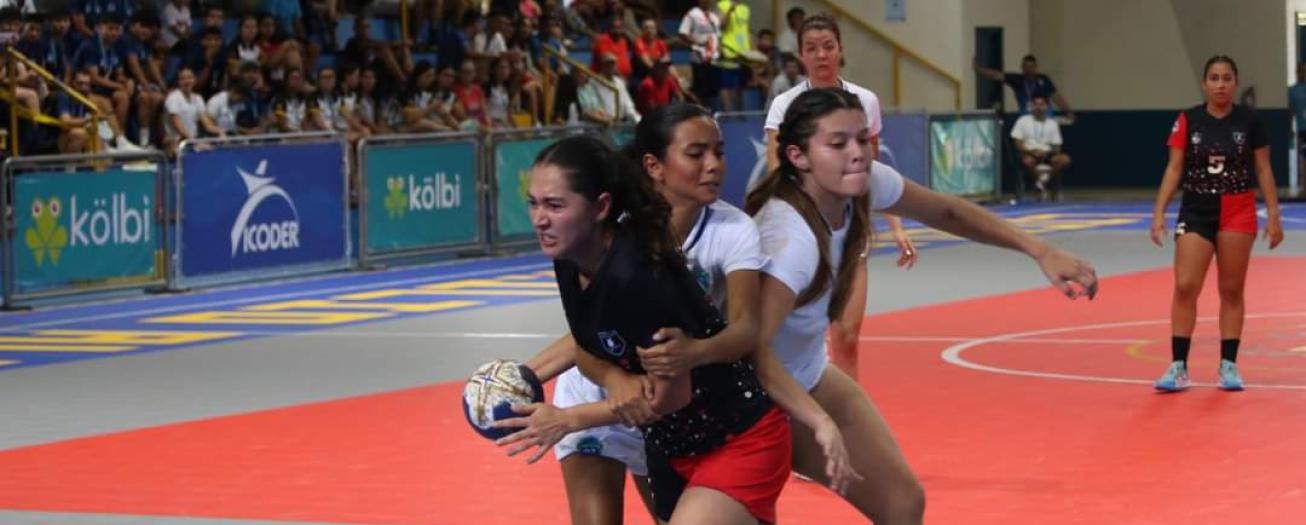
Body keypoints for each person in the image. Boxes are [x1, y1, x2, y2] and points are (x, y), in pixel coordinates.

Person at [747, 87, 1099, 524]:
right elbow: (751, 350)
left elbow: (946, 212)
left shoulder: (861, 185)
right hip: (746, 396)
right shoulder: (788, 239)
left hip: (806, 374)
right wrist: (817, 420)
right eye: (837, 144)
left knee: (902, 503)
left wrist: (1038, 249)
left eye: (861, 139)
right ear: (798, 157)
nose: (856, 153)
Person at [504, 104, 859, 525]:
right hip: (668, 445)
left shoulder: (638, 274)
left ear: (599, 207)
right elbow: (587, 341)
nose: (540, 219)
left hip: (735, 438)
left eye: (555, 205)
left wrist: (567, 419)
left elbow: (683, 387)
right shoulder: (571, 256)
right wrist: (541, 378)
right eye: (534, 204)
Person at [764, 14, 917, 377]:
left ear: (840, 50)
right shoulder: (785, 106)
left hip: (850, 231)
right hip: (801, 234)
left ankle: (849, 424)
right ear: (800, 55)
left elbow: (872, 172)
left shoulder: (865, 101)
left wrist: (895, 226)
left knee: (846, 336)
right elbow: (776, 173)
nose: (821, 56)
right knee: (792, 341)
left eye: (828, 47)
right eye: (811, 49)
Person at [1149, 55, 1285, 392]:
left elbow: (1264, 169)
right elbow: (1174, 168)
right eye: (1214, 78)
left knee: (1231, 289)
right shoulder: (1188, 120)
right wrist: (1159, 211)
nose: (1220, 84)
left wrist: (1274, 214)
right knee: (1185, 285)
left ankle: (1229, 365)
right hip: (1197, 208)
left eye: (1226, 78)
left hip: (1237, 209)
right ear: (1204, 83)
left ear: (1235, 83)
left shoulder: (1250, 122)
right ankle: (1178, 366)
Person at [973, 54, 1074, 120]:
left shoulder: (1044, 80)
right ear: (1022, 67)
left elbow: (1057, 97)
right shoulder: (1018, 80)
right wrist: (979, 69)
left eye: (1031, 67)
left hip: (1045, 119)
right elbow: (996, 75)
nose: (1029, 69)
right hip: (1026, 120)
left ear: (1036, 68)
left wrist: (1068, 111)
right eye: (1026, 67)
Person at [1010, 95, 1071, 202]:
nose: (1038, 107)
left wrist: (1046, 152)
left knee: (1064, 159)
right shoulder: (1023, 121)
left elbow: (1057, 146)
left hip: (1047, 154)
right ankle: (1041, 184)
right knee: (1028, 161)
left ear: (1047, 107)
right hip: (1029, 153)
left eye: (1041, 105)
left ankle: (1041, 183)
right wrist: (1031, 151)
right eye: (1036, 104)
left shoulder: (1052, 123)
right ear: (1031, 106)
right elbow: (1018, 143)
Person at [163, 67, 224, 152]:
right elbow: (178, 125)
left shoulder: (198, 98)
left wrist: (220, 131)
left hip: (191, 141)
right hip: (176, 141)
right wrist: (195, 142)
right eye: (183, 79)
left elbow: (207, 124)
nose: (187, 81)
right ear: (178, 82)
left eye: (190, 78)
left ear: (194, 80)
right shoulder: (173, 98)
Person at [678, 0, 719, 108]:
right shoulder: (692, 14)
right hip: (699, 57)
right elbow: (682, 33)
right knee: (700, 86)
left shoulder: (714, 17)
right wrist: (696, 43)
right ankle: (697, 110)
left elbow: (717, 35)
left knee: (712, 87)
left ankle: (710, 112)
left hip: (713, 57)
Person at [1288, 63, 1306, 194]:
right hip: (1303, 130)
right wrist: (1290, 127)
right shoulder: (1292, 91)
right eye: (1301, 71)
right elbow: (1291, 111)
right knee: (1304, 158)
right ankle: (1304, 187)